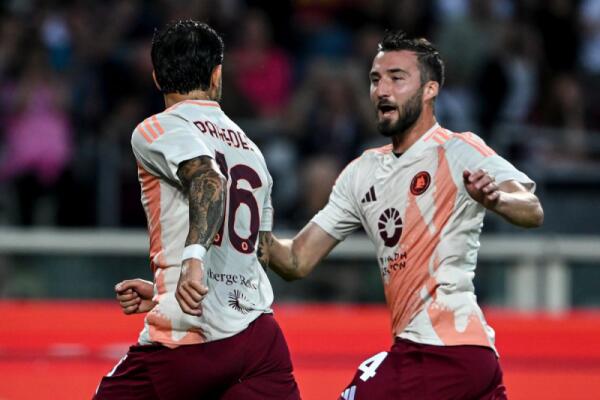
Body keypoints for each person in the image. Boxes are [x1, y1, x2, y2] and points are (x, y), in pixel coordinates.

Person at [267, 30, 544, 400]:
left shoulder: (456, 150)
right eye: (375, 79)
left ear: (429, 90)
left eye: (397, 78)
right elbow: (296, 260)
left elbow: (531, 208)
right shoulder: (361, 173)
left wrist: (497, 200)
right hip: (458, 359)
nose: (382, 90)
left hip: (443, 350)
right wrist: (247, 229)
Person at [94, 20, 300, 400]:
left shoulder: (156, 129)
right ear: (217, 74)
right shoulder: (251, 150)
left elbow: (208, 179)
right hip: (259, 340)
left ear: (157, 78)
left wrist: (190, 261)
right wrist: (164, 286)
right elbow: (253, 253)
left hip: (189, 340)